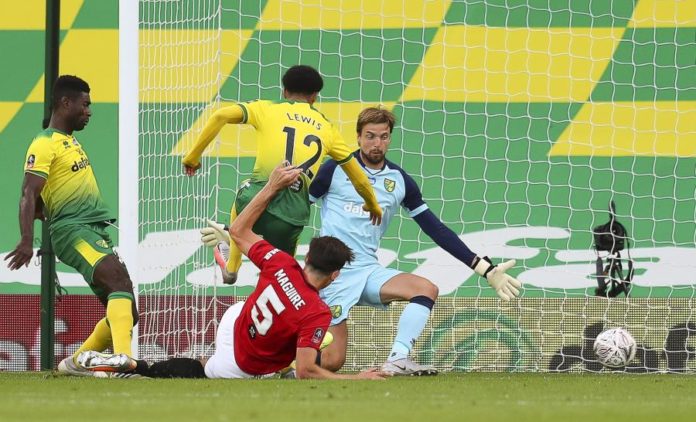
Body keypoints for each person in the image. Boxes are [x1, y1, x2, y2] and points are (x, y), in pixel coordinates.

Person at [78, 163, 389, 380]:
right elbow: (308, 371)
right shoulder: (317, 312)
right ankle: (136, 367)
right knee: (204, 370)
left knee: (249, 347)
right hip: (242, 360)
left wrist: (272, 186)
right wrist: (358, 378)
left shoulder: (282, 261)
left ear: (307, 258)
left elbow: (239, 229)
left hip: (236, 318)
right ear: (335, 275)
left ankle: (229, 265)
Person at [308, 107, 523, 375]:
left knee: (426, 289)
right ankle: (282, 364)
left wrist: (484, 269)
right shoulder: (334, 169)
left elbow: (435, 229)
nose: (377, 144)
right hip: (332, 274)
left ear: (390, 138)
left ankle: (397, 359)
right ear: (359, 137)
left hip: (367, 270)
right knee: (331, 362)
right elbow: (299, 209)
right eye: (370, 136)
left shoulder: (399, 180)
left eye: (383, 136)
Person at [183, 65, 382, 285]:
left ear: (284, 91)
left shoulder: (266, 108)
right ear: (314, 97)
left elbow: (220, 115)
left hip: (255, 201)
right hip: (292, 215)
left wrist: (192, 158)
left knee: (245, 189)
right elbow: (359, 179)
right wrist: (372, 204)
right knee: (282, 276)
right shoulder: (328, 129)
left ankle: (232, 266)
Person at [5, 75, 138, 376]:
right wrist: (26, 239)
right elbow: (28, 192)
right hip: (74, 231)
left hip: (91, 230)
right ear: (66, 103)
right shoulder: (44, 143)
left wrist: (43, 210)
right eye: (85, 104)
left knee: (128, 310)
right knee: (118, 283)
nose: (89, 111)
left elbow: (42, 199)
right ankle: (125, 365)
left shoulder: (70, 142)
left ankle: (74, 364)